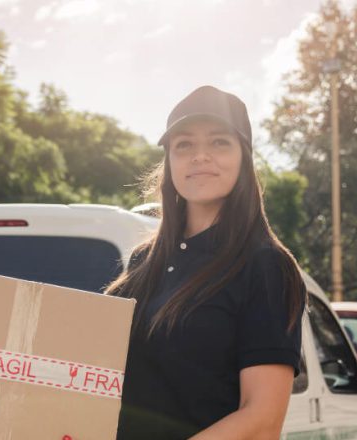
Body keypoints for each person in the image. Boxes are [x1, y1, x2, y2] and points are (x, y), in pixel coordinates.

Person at [106, 85, 307, 440]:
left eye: (219, 142)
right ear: (169, 161)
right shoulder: (144, 261)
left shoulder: (266, 266)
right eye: (184, 145)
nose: (200, 156)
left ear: (244, 158)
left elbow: (262, 420)